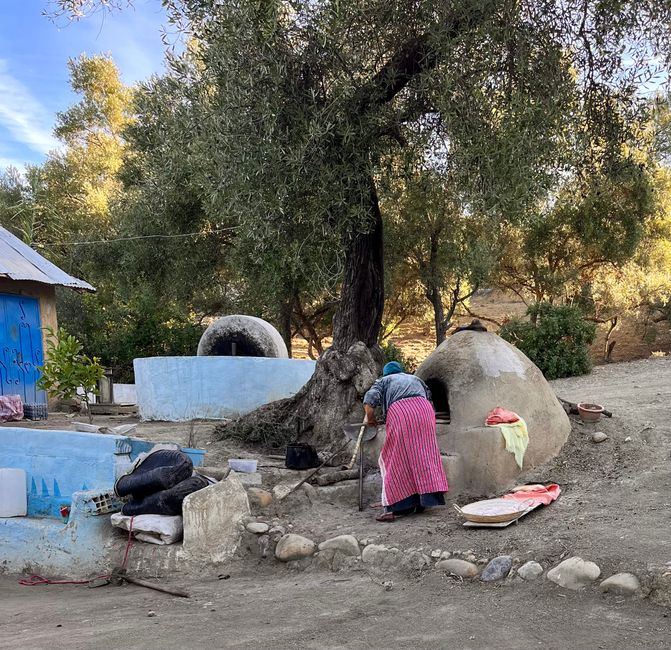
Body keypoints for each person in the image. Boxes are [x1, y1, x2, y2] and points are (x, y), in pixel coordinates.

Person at [363, 361, 449, 522]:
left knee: (393, 458)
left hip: (402, 413)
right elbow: (430, 398)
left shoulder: (384, 381)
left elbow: (369, 402)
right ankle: (424, 501)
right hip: (425, 412)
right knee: (423, 454)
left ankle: (398, 505)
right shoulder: (415, 379)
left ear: (386, 373)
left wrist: (371, 419)